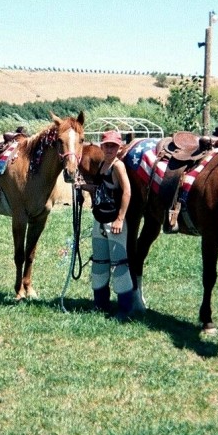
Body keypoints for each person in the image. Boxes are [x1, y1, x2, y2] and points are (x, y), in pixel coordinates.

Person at [86, 130, 133, 320]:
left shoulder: (118, 166)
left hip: (114, 221)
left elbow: (127, 191)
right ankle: (100, 304)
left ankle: (125, 309)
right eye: (106, 145)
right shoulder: (104, 164)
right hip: (100, 219)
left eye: (113, 146)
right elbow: (101, 188)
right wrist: (82, 186)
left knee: (119, 264)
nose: (109, 149)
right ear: (102, 146)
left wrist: (120, 218)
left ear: (119, 147)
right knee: (99, 262)